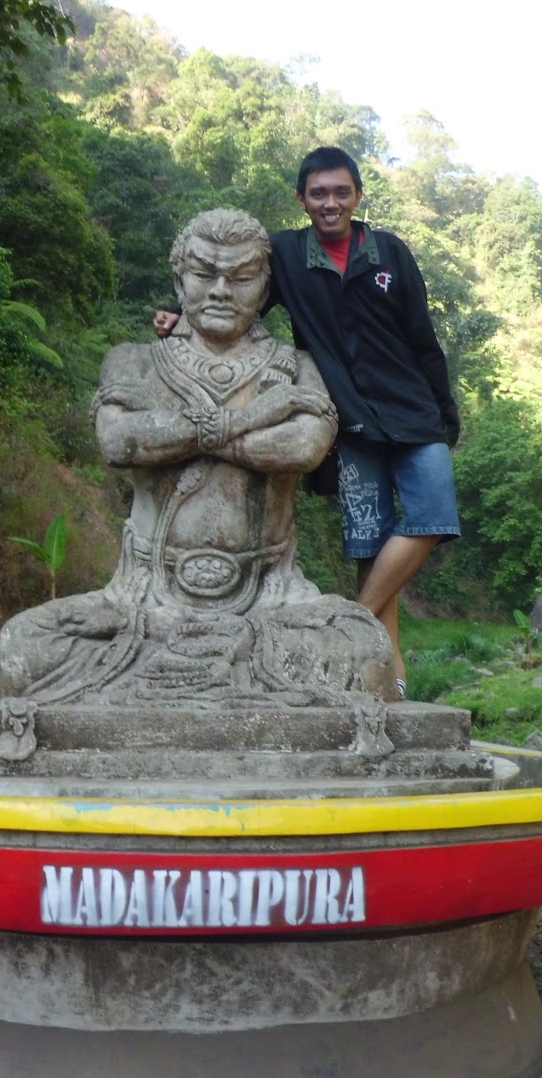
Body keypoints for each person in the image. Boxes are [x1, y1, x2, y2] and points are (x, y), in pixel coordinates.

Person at [0, 207, 396, 705]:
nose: (220, 291)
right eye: (204, 274)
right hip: (144, 598)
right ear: (179, 277)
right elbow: (119, 442)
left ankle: (187, 678)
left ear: (265, 282)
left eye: (241, 277)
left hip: (268, 598)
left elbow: (305, 447)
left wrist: (171, 426)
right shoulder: (135, 360)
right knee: (24, 646)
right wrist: (252, 418)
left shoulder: (297, 367)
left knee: (365, 652)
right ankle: (222, 681)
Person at [156, 147, 461, 695]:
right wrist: (180, 316)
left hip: (413, 412)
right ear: (302, 200)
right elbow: (243, 296)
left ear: (358, 196)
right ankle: (390, 681)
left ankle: (346, 624)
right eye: (319, 193)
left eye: (341, 192)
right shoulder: (289, 255)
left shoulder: (389, 252)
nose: (330, 203)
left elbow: (424, 340)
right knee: (370, 549)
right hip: (352, 424)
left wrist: (445, 413)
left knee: (434, 517)